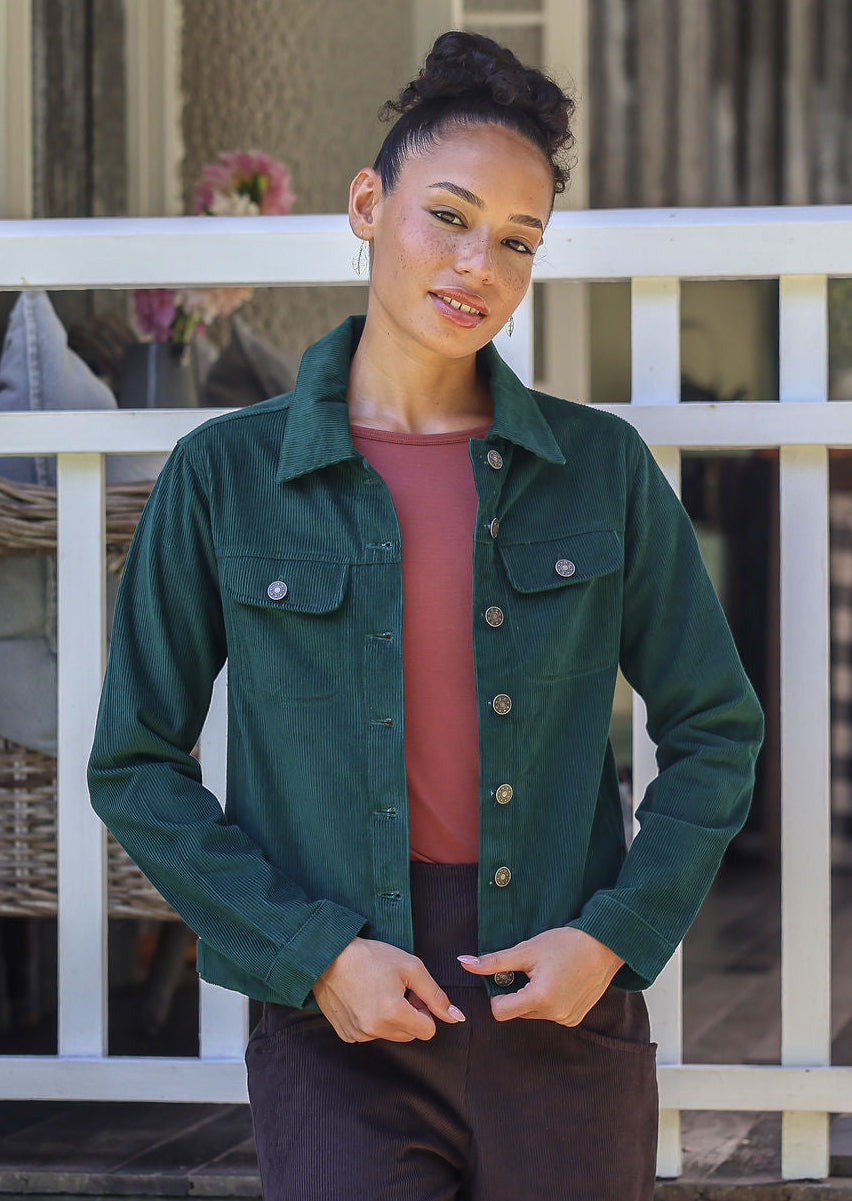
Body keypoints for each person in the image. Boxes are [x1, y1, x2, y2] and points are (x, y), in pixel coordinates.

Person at [88, 30, 764, 1201]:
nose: (478, 265)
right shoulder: (223, 478)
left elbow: (718, 727)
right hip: (339, 1017)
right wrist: (314, 958)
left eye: (517, 240)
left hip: (563, 1002)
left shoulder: (598, 469)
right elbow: (134, 762)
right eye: (448, 215)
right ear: (366, 201)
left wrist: (612, 938)